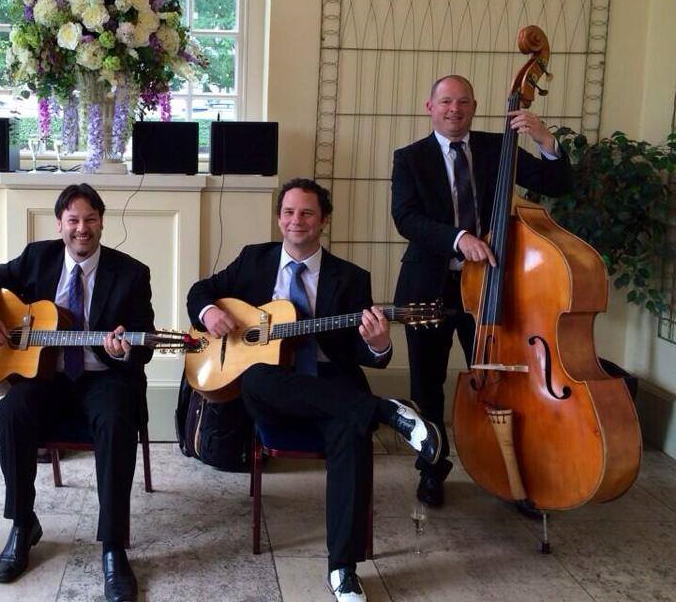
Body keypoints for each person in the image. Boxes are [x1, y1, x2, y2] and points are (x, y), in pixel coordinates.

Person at [187, 178, 442, 602]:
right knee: (257, 377)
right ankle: (386, 410)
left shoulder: (351, 278)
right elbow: (200, 292)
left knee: (351, 432)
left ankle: (343, 569)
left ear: (324, 221)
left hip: (331, 386)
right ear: (278, 219)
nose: (296, 221)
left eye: (307, 213)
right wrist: (210, 311)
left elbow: (363, 352)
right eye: (288, 212)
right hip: (272, 391)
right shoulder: (254, 260)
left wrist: (379, 344)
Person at [0, 183, 153, 602]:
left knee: (116, 419)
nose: (82, 229)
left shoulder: (131, 273)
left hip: (104, 378)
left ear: (102, 223)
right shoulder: (38, 258)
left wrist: (124, 349)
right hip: (47, 377)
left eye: (90, 220)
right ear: (59, 225)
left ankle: (113, 546)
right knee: (12, 412)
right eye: (73, 220)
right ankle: (22, 523)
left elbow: (145, 345)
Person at [391, 74, 573, 509]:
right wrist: (459, 239)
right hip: (429, 286)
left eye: (463, 102)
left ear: (474, 107)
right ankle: (432, 468)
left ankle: (509, 472)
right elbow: (406, 218)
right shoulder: (409, 158)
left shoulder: (498, 148)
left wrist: (546, 140)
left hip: (492, 286)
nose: (454, 109)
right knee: (427, 384)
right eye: (446, 102)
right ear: (430, 107)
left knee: (502, 383)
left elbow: (558, 184)